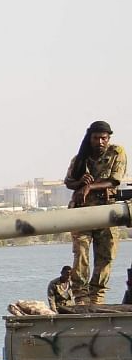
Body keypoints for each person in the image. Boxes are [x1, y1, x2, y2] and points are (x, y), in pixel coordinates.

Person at [64, 120, 126, 303]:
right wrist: (81, 182)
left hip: (107, 213)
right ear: (90, 139)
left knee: (106, 256)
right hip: (82, 214)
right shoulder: (80, 159)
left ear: (108, 139)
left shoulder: (116, 153)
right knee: (81, 255)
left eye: (103, 138)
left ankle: (97, 297)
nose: (100, 142)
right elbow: (69, 182)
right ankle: (81, 296)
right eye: (96, 138)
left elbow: (114, 180)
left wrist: (90, 187)